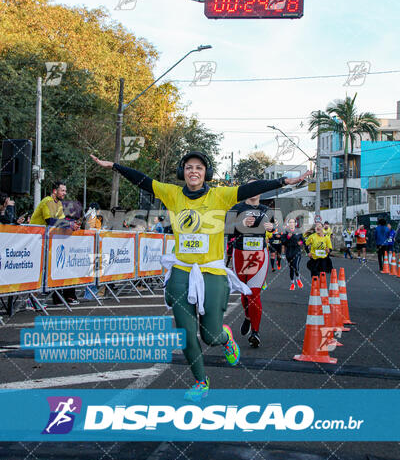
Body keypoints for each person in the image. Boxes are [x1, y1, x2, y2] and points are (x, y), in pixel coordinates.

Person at [91, 151, 311, 401]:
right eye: (188, 167)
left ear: (206, 172)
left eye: (199, 167)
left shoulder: (219, 195)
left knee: (211, 336)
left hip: (212, 272)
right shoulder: (172, 193)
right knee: (185, 332)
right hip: (181, 271)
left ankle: (225, 337)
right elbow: (142, 180)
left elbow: (254, 187)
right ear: (182, 171)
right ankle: (200, 381)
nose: (193, 171)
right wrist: (115, 165)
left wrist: (283, 181)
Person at [227, 179, 273, 348]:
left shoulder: (265, 209)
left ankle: (255, 332)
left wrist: (272, 227)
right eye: (250, 187)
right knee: (245, 292)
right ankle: (247, 316)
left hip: (259, 255)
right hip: (240, 254)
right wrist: (240, 223)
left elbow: (275, 226)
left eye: (257, 187)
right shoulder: (237, 208)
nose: (254, 190)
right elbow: (226, 227)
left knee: (254, 293)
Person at [31, 181, 79, 305]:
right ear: (54, 191)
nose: (65, 193)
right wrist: (69, 224)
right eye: (62, 190)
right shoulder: (48, 200)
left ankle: (36, 299)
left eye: (65, 190)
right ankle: (31, 300)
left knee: (46, 269)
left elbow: (62, 220)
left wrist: (72, 225)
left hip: (46, 240)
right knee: (39, 270)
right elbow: (50, 220)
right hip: (34, 239)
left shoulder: (59, 204)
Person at [281, 218, 305, 290]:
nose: (291, 224)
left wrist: (300, 243)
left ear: (295, 223)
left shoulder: (299, 231)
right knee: (291, 268)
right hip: (289, 251)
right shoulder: (285, 232)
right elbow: (283, 242)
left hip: (297, 251)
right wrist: (288, 236)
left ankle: (298, 279)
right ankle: (292, 283)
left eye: (293, 222)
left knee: (295, 266)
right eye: (290, 222)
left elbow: (303, 240)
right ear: (288, 224)